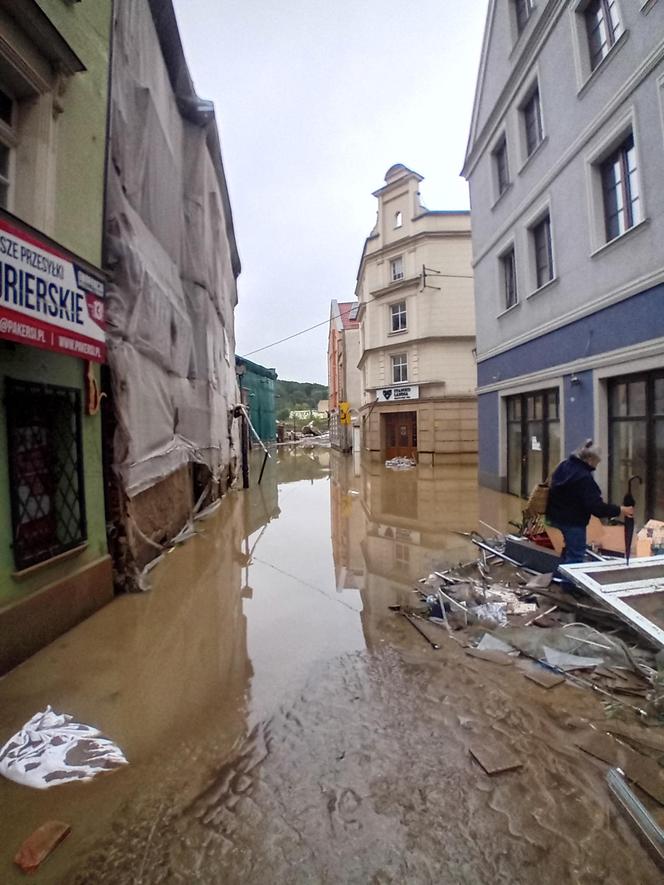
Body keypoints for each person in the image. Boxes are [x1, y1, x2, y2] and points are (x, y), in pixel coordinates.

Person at [546, 439, 634, 571]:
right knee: (576, 556)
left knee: (569, 551)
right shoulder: (584, 477)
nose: (597, 465)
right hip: (573, 522)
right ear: (589, 459)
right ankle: (569, 586)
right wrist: (620, 510)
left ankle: (560, 576)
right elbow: (596, 507)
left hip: (555, 516)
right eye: (597, 461)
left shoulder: (564, 465)